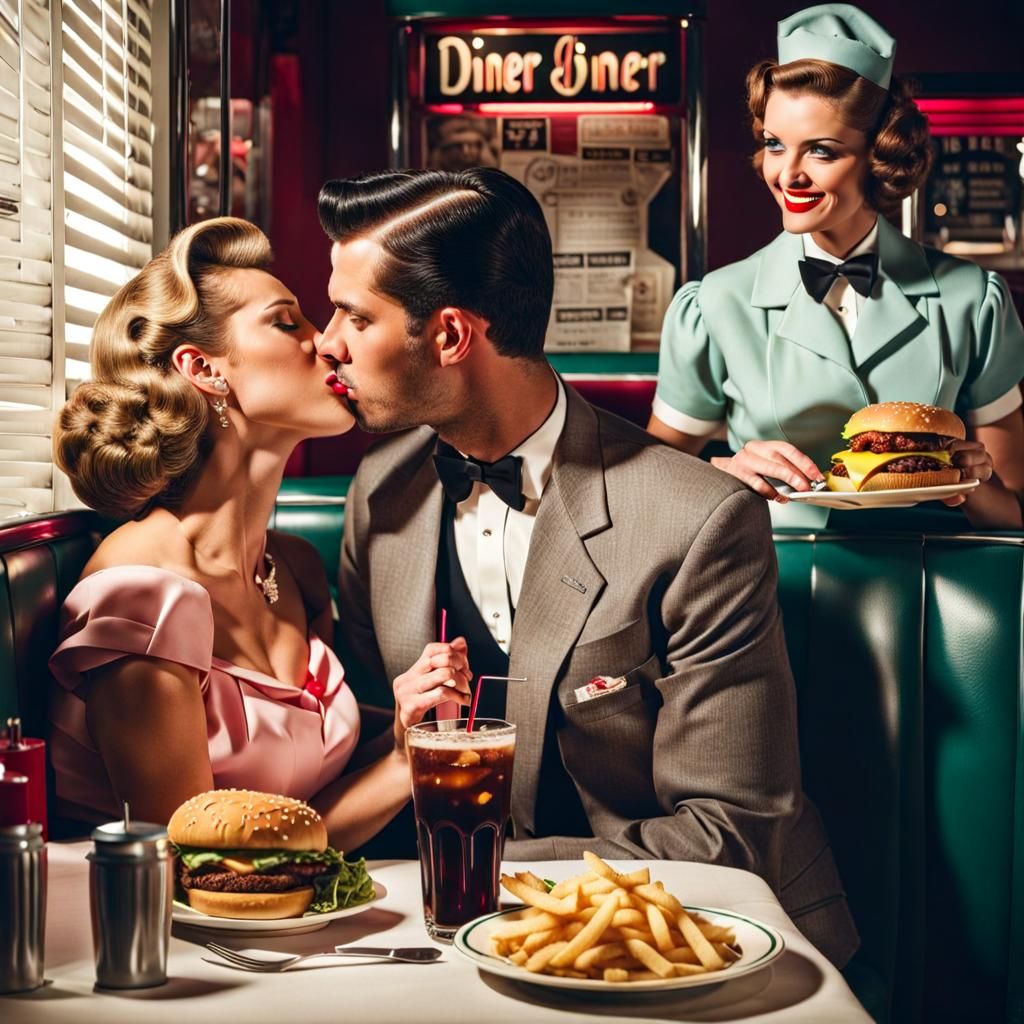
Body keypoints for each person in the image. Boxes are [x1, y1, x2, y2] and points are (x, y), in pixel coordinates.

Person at [314, 166, 859, 967]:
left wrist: (484, 880)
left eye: (354, 316)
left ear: (452, 337)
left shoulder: (700, 520)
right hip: (460, 949)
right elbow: (372, 748)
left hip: (703, 948)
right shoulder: (381, 491)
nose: (327, 342)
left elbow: (732, 831)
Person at [48, 217, 472, 850]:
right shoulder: (140, 596)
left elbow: (306, 819)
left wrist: (409, 735)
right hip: (168, 941)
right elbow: (198, 858)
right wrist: (403, 764)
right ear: (204, 368)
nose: (327, 343)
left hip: (289, 924)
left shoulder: (294, 569)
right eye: (287, 322)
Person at [648, 3, 1024, 530]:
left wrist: (972, 481)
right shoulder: (713, 304)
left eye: (822, 151)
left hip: (932, 584)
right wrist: (725, 469)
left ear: (879, 154)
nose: (788, 175)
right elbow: (649, 487)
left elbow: (1013, 515)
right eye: (775, 145)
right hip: (763, 585)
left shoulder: (974, 299)